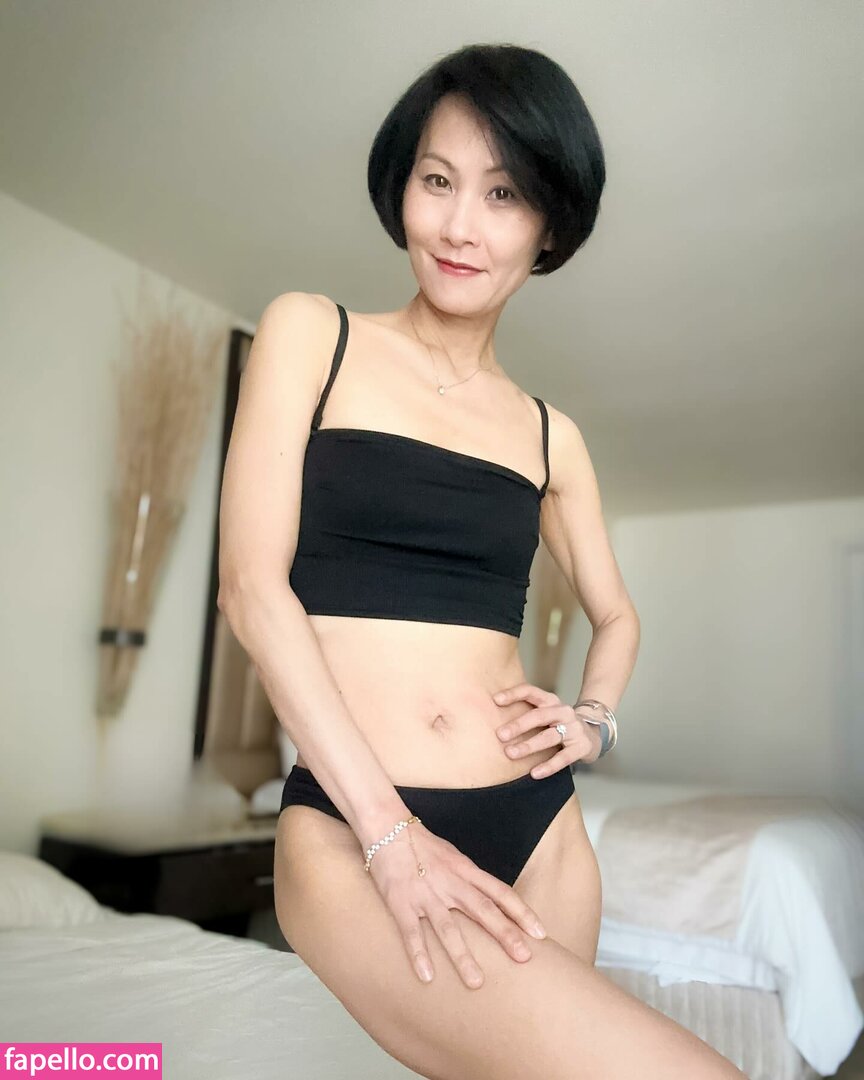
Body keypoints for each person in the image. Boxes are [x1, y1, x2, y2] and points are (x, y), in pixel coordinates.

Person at [218, 42, 746, 1080]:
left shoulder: (552, 436)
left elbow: (618, 614)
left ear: (549, 226)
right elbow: (250, 590)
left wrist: (593, 719)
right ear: (401, 191)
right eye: (437, 180)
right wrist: (390, 834)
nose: (461, 225)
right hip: (353, 823)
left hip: (539, 827)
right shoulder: (312, 334)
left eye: (503, 194)